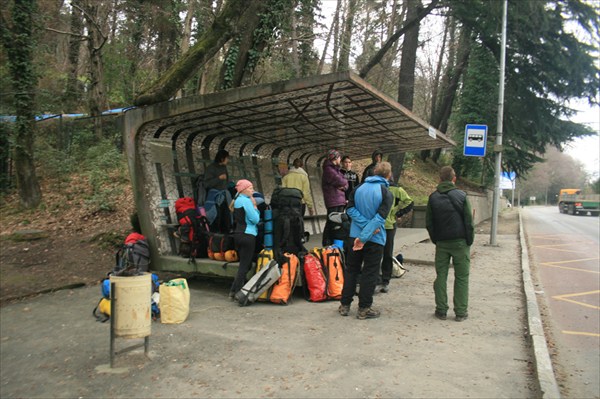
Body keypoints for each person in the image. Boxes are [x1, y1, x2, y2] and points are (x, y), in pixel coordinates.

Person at [339, 162, 393, 320]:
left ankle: (344, 305)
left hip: (353, 236)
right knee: (370, 272)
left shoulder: (358, 188)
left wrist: (362, 229)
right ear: (388, 175)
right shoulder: (386, 193)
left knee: (351, 270)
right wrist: (367, 232)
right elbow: (380, 218)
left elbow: (349, 209)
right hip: (375, 239)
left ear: (374, 172)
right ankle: (364, 308)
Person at [425, 166, 474, 322]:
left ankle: (441, 310)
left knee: (441, 276)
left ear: (440, 179)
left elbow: (429, 223)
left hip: (442, 243)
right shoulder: (462, 196)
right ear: (454, 179)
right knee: (462, 277)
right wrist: (469, 240)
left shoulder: (433, 198)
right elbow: (469, 221)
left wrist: (436, 239)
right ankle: (460, 312)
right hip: (460, 242)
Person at [379, 181, 413, 293]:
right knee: (387, 252)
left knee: (378, 252)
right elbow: (410, 202)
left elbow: (410, 202)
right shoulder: (396, 189)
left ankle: (381, 279)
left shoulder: (379, 187)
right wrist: (399, 213)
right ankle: (385, 280)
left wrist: (398, 213)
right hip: (388, 224)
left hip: (378, 225)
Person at [229, 179, 261, 300]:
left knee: (245, 265)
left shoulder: (237, 200)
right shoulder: (246, 201)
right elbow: (255, 219)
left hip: (238, 234)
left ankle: (233, 291)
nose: (252, 190)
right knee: (244, 265)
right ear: (243, 189)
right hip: (248, 234)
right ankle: (238, 293)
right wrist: (255, 207)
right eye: (250, 188)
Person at [321, 149, 348, 246]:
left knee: (338, 223)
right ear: (335, 158)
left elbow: (345, 183)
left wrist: (342, 185)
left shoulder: (336, 169)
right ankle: (327, 243)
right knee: (331, 222)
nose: (340, 159)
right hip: (333, 201)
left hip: (339, 200)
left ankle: (336, 243)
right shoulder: (328, 170)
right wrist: (342, 184)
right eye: (339, 157)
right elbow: (341, 181)